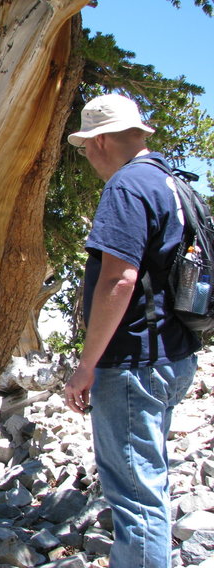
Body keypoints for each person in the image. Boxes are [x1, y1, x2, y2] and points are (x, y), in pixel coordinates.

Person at [63, 93, 201, 567]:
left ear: (99, 140)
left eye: (84, 149)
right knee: (150, 482)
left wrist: (87, 365)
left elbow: (119, 280)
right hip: (175, 356)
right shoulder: (175, 184)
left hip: (133, 364)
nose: (87, 159)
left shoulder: (127, 188)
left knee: (135, 499)